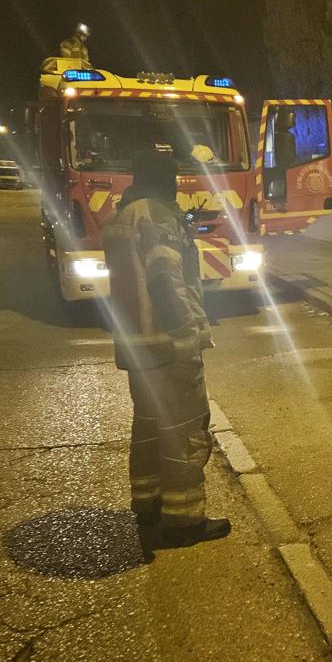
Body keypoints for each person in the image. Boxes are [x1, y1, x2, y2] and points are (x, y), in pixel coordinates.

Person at [102, 148, 230, 546]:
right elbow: (164, 278)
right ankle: (184, 521)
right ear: (165, 181)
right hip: (167, 344)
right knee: (184, 432)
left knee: (148, 427)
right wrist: (187, 333)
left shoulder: (122, 216)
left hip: (136, 344)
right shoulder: (157, 216)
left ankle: (147, 504)